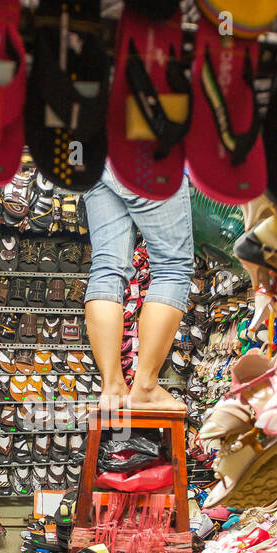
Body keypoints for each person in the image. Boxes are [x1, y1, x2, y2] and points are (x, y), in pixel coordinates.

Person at [82, 160, 194, 413]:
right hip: (145, 149)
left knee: (107, 268)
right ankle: (145, 387)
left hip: (93, 152)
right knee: (172, 266)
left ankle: (112, 387)